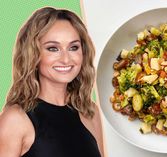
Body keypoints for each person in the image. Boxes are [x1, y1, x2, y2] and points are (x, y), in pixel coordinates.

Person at [0, 7, 104, 157]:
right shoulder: (15, 120)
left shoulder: (90, 112)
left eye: (73, 47)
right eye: (53, 48)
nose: (66, 59)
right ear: (33, 54)